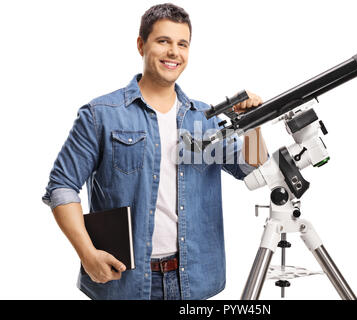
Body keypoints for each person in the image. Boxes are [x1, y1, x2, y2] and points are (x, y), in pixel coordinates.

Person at [42, 3, 268, 300]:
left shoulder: (206, 118)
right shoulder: (101, 115)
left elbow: (252, 169)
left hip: (194, 281)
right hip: (124, 281)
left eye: (182, 44)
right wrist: (87, 254)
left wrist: (253, 124)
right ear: (141, 45)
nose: (174, 52)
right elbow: (62, 187)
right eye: (163, 41)